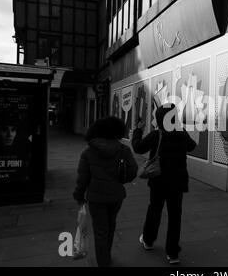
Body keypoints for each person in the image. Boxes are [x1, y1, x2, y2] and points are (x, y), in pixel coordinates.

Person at [132, 103, 196, 265]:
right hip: (177, 183)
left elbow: (138, 148)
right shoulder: (181, 134)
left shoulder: (156, 135)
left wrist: (138, 130)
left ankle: (148, 240)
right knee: (175, 217)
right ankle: (173, 253)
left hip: (158, 181)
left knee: (154, 210)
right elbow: (192, 146)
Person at [73, 117, 138, 267]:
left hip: (96, 198)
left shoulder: (88, 152)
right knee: (111, 225)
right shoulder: (123, 150)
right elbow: (133, 171)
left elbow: (82, 178)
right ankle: (106, 255)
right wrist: (122, 180)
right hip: (116, 196)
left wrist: (78, 195)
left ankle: (103, 262)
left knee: (100, 230)